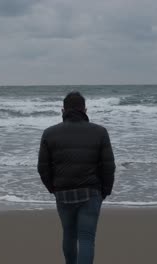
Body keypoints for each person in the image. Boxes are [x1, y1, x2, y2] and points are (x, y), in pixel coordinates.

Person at [38, 91, 116, 264]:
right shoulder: (100, 132)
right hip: (91, 193)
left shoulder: (49, 133)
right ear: (85, 110)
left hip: (63, 193)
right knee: (87, 238)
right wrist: (105, 191)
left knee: (69, 235)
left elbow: (42, 168)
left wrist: (53, 188)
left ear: (63, 110)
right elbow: (109, 166)